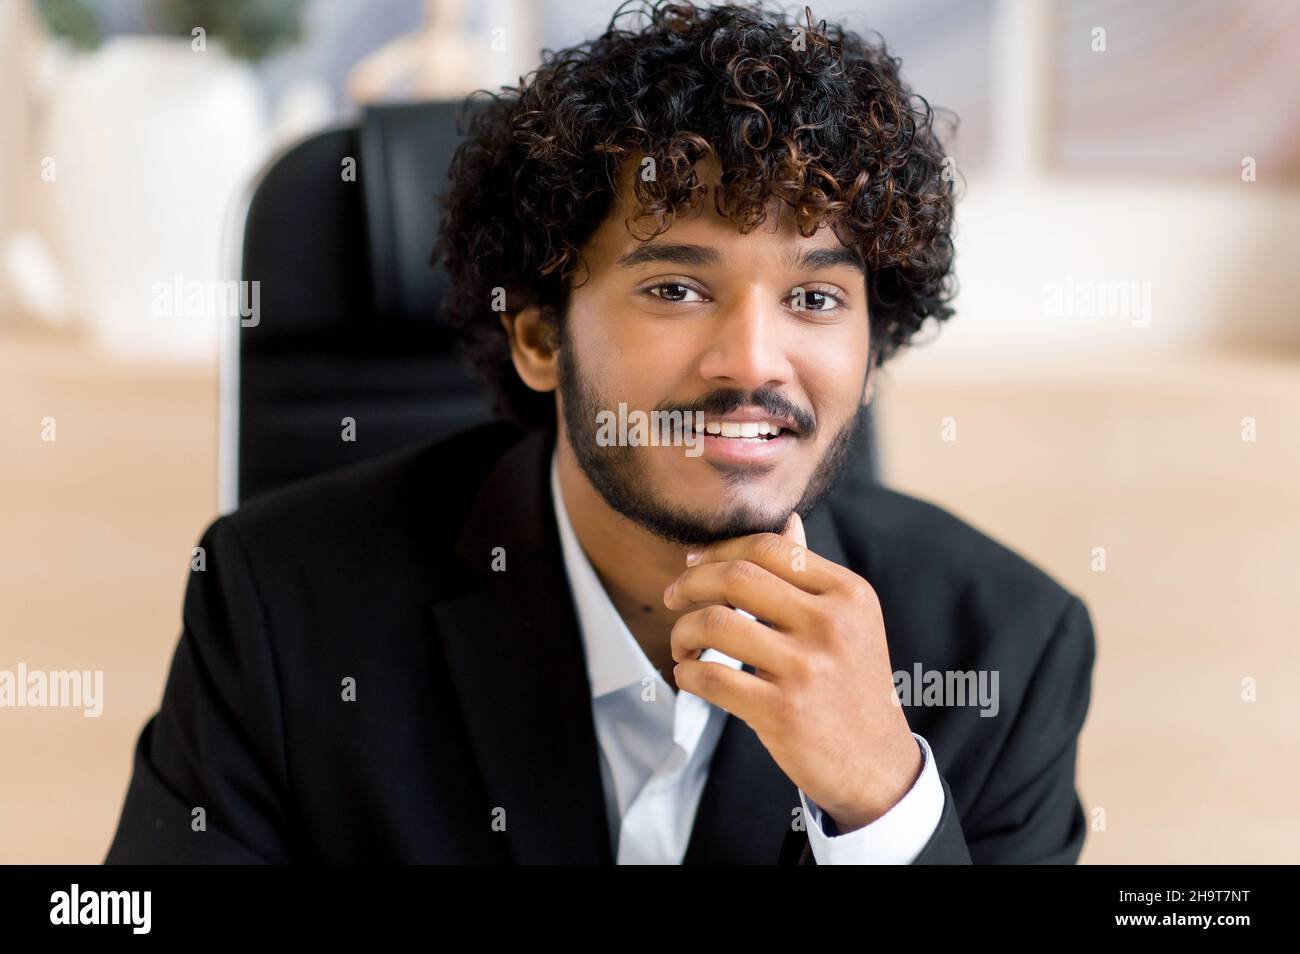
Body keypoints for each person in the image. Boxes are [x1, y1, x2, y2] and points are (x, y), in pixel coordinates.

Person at [105, 0, 1095, 864]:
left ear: (871, 348)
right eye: (675, 287)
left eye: (813, 296)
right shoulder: (281, 605)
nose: (752, 362)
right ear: (538, 336)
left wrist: (880, 804)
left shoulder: (1002, 649)